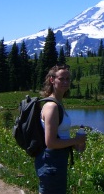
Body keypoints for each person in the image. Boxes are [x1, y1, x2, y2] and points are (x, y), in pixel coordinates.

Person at [35, 64, 87, 194]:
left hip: (57, 162)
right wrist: (75, 140)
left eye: (68, 79)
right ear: (52, 80)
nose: (65, 82)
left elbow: (60, 136)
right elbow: (51, 142)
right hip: (51, 163)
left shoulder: (58, 103)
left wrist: (77, 143)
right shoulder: (52, 106)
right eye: (61, 78)